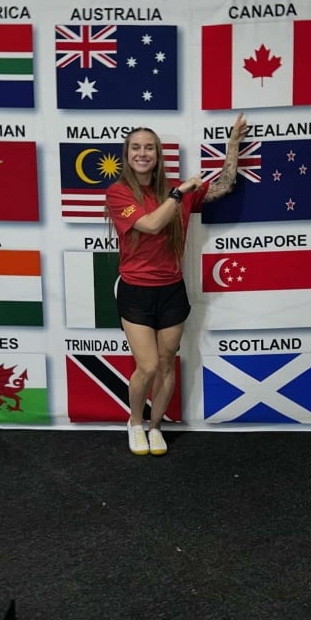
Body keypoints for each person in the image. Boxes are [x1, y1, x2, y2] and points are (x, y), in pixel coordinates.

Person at [105, 113, 248, 456]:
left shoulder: (177, 194)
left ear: (158, 155)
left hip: (172, 290)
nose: (143, 153)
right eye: (136, 148)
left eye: (149, 148)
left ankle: (156, 427)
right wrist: (180, 192)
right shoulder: (119, 192)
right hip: (136, 290)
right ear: (127, 154)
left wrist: (232, 145)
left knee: (168, 362)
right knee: (148, 365)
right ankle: (135, 422)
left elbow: (224, 185)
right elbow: (152, 225)